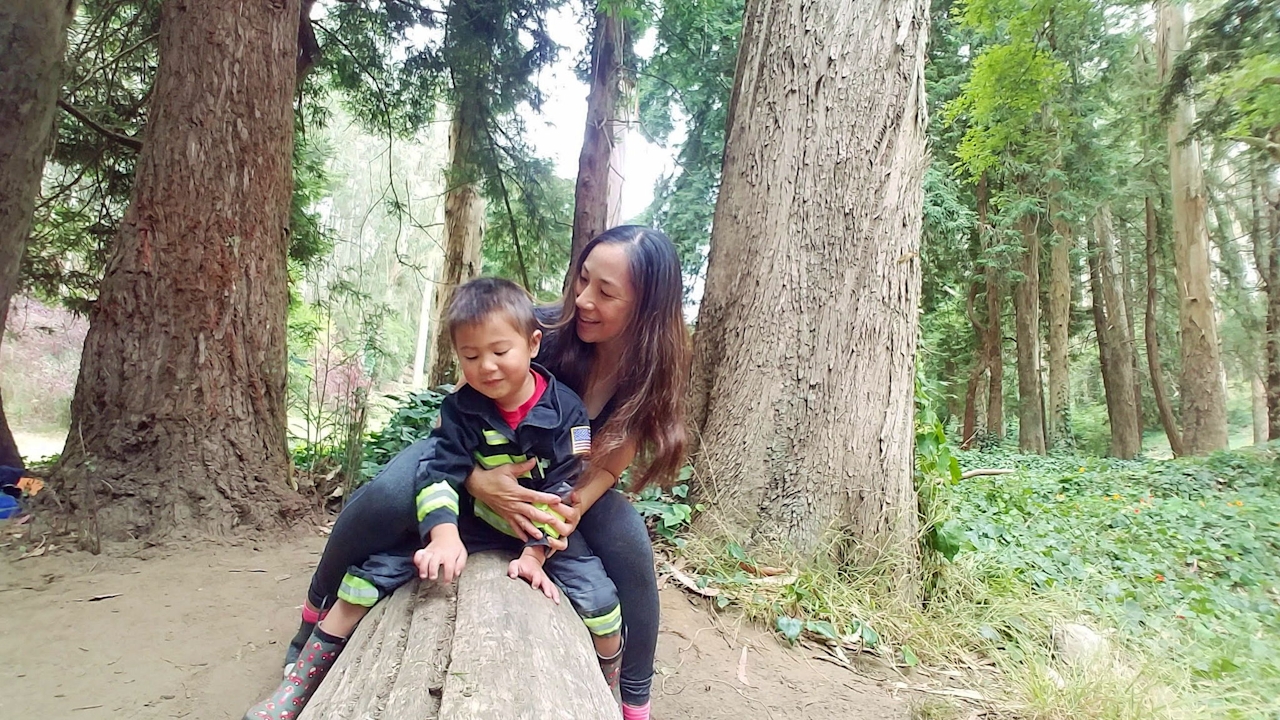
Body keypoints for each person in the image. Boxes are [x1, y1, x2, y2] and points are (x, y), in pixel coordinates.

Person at [270, 226, 689, 720]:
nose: (583, 299)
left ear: (645, 308)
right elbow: (466, 403)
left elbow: (609, 459)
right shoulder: (546, 330)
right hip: (472, 458)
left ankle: (634, 697)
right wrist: (477, 479)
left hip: (559, 480)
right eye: (582, 279)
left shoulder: (655, 368)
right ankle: (315, 613)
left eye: (605, 291)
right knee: (387, 495)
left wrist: (567, 510)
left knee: (630, 544)